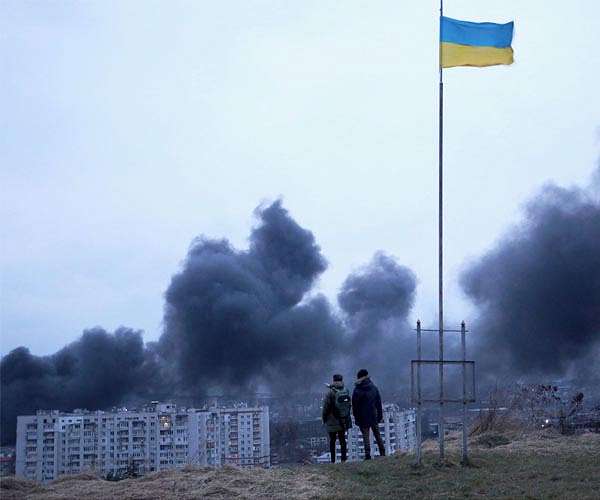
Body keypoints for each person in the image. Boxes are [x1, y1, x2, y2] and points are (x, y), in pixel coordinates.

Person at [352, 368, 385, 460]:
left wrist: (356, 418)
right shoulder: (373, 387)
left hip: (362, 417)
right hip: (373, 415)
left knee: (365, 436)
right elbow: (378, 403)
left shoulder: (357, 390)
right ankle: (382, 452)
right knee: (377, 434)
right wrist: (380, 415)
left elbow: (355, 406)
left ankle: (367, 455)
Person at [322, 373, 351, 463]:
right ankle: (343, 459)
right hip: (343, 419)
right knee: (342, 440)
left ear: (334, 381)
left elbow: (326, 407)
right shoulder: (346, 390)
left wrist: (324, 418)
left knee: (332, 441)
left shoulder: (330, 393)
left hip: (332, 419)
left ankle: (333, 460)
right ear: (341, 380)